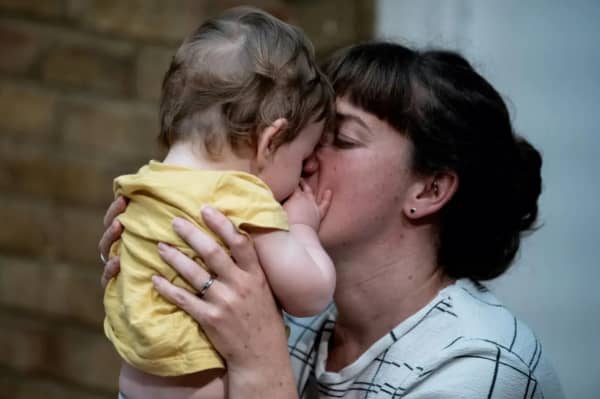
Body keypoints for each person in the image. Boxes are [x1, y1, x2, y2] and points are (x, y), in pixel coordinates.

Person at [100, 40, 565, 398]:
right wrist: (154, 314)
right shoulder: (296, 314)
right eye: (308, 134)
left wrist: (260, 364)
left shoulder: (482, 366)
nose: (302, 159)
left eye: (338, 137)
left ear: (428, 190)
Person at [102, 7, 336, 399]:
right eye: (302, 156)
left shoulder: (140, 187)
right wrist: (302, 227)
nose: (307, 168)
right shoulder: (241, 197)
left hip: (134, 383)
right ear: (270, 141)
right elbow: (310, 293)